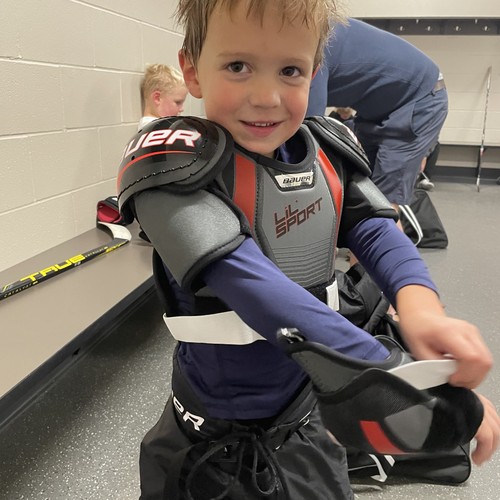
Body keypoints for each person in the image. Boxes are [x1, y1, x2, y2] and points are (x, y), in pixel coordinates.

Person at [117, 1, 499, 499]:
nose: (267, 97)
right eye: (238, 66)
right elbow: (253, 287)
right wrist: (395, 376)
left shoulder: (327, 152)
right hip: (210, 437)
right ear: (192, 70)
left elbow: (376, 229)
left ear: (315, 73)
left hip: (304, 421)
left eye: (290, 71)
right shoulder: (171, 168)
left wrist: (422, 307)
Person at [307, 18, 449, 222]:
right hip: (377, 109)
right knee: (361, 186)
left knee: (382, 205)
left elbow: (307, 128)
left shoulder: (312, 41)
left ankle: (384, 240)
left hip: (418, 100)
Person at [139, 63, 188, 129]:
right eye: (178, 102)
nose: (182, 109)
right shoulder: (154, 129)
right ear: (157, 98)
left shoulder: (161, 126)